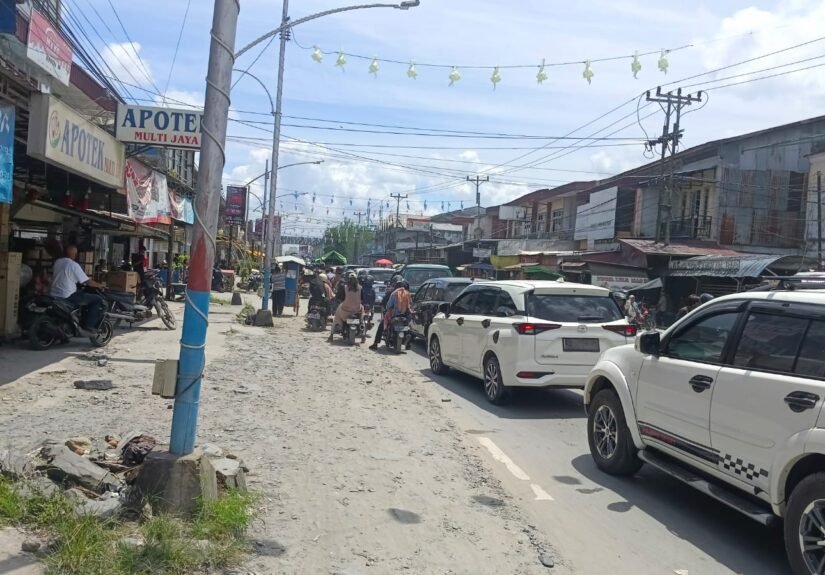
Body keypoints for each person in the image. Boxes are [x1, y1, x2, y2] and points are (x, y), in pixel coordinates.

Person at [50, 244, 105, 334]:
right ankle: (89, 326)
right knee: (96, 299)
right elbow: (87, 281)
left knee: (81, 293)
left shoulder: (58, 262)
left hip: (54, 294)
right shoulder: (73, 265)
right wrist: (100, 285)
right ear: (75, 255)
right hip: (68, 295)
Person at [329, 272, 362, 342]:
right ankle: (363, 336)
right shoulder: (360, 288)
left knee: (336, 316)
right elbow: (362, 298)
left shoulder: (345, 287)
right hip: (357, 310)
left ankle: (331, 335)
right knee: (363, 315)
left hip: (345, 310)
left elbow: (341, 297)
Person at [383, 280, 413, 350]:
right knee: (409, 327)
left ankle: (385, 331)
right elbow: (410, 304)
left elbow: (388, 306)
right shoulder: (407, 294)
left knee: (386, 318)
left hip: (394, 315)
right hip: (405, 316)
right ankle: (408, 343)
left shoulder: (394, 294)